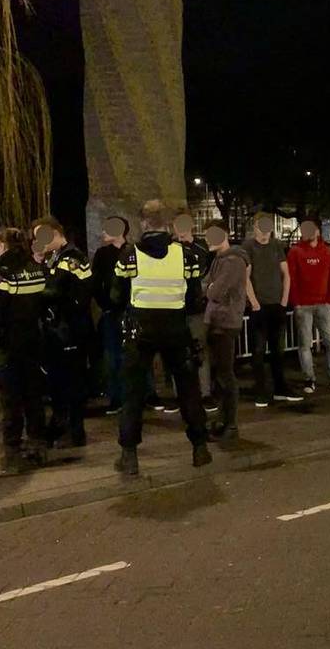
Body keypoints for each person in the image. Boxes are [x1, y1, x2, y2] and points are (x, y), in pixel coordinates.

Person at [110, 200, 212, 476]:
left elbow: (116, 296)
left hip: (140, 329)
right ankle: (200, 447)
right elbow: (194, 299)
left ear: (143, 223)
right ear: (167, 223)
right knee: (188, 388)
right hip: (176, 329)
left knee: (132, 392)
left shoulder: (129, 256)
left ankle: (129, 456)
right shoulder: (186, 256)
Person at [0, 228, 50, 472]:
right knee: (33, 398)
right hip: (34, 341)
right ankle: (38, 446)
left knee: (11, 401)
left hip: (8, 344)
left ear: (2, 245)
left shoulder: (1, 273)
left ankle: (13, 453)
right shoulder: (35, 269)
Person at [32, 216, 93, 447]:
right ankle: (60, 425)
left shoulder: (71, 258)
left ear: (56, 233)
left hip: (72, 329)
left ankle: (75, 431)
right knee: (58, 381)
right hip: (59, 328)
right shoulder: (57, 257)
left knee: (72, 382)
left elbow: (52, 290)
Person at [288, 220, 330, 392]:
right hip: (303, 306)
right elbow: (291, 279)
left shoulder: (328, 252)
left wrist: (329, 300)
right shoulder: (295, 252)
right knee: (305, 344)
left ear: (317, 231)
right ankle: (309, 379)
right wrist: (297, 302)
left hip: (323, 304)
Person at [202, 220, 252, 441]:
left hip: (226, 321)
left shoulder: (233, 261)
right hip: (217, 320)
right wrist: (209, 287)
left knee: (226, 374)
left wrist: (210, 288)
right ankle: (223, 421)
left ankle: (231, 424)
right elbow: (206, 285)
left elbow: (215, 291)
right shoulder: (220, 260)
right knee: (219, 374)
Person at [242, 212, 296, 407]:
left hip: (276, 304)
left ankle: (280, 387)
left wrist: (284, 301)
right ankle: (261, 391)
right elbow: (245, 276)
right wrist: (254, 303)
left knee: (277, 350)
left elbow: (286, 274)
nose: (264, 233)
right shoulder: (247, 247)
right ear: (255, 228)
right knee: (258, 350)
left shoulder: (276, 245)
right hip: (259, 306)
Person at [174, 213, 214, 409]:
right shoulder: (170, 248)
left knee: (200, 350)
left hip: (196, 307)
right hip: (175, 308)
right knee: (177, 352)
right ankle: (179, 394)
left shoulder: (201, 247)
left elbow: (208, 274)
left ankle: (205, 393)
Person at [92, 216, 130, 415]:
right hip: (111, 310)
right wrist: (105, 303)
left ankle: (141, 395)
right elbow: (96, 282)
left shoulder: (131, 251)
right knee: (112, 356)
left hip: (129, 310)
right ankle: (116, 396)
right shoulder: (102, 254)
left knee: (133, 354)